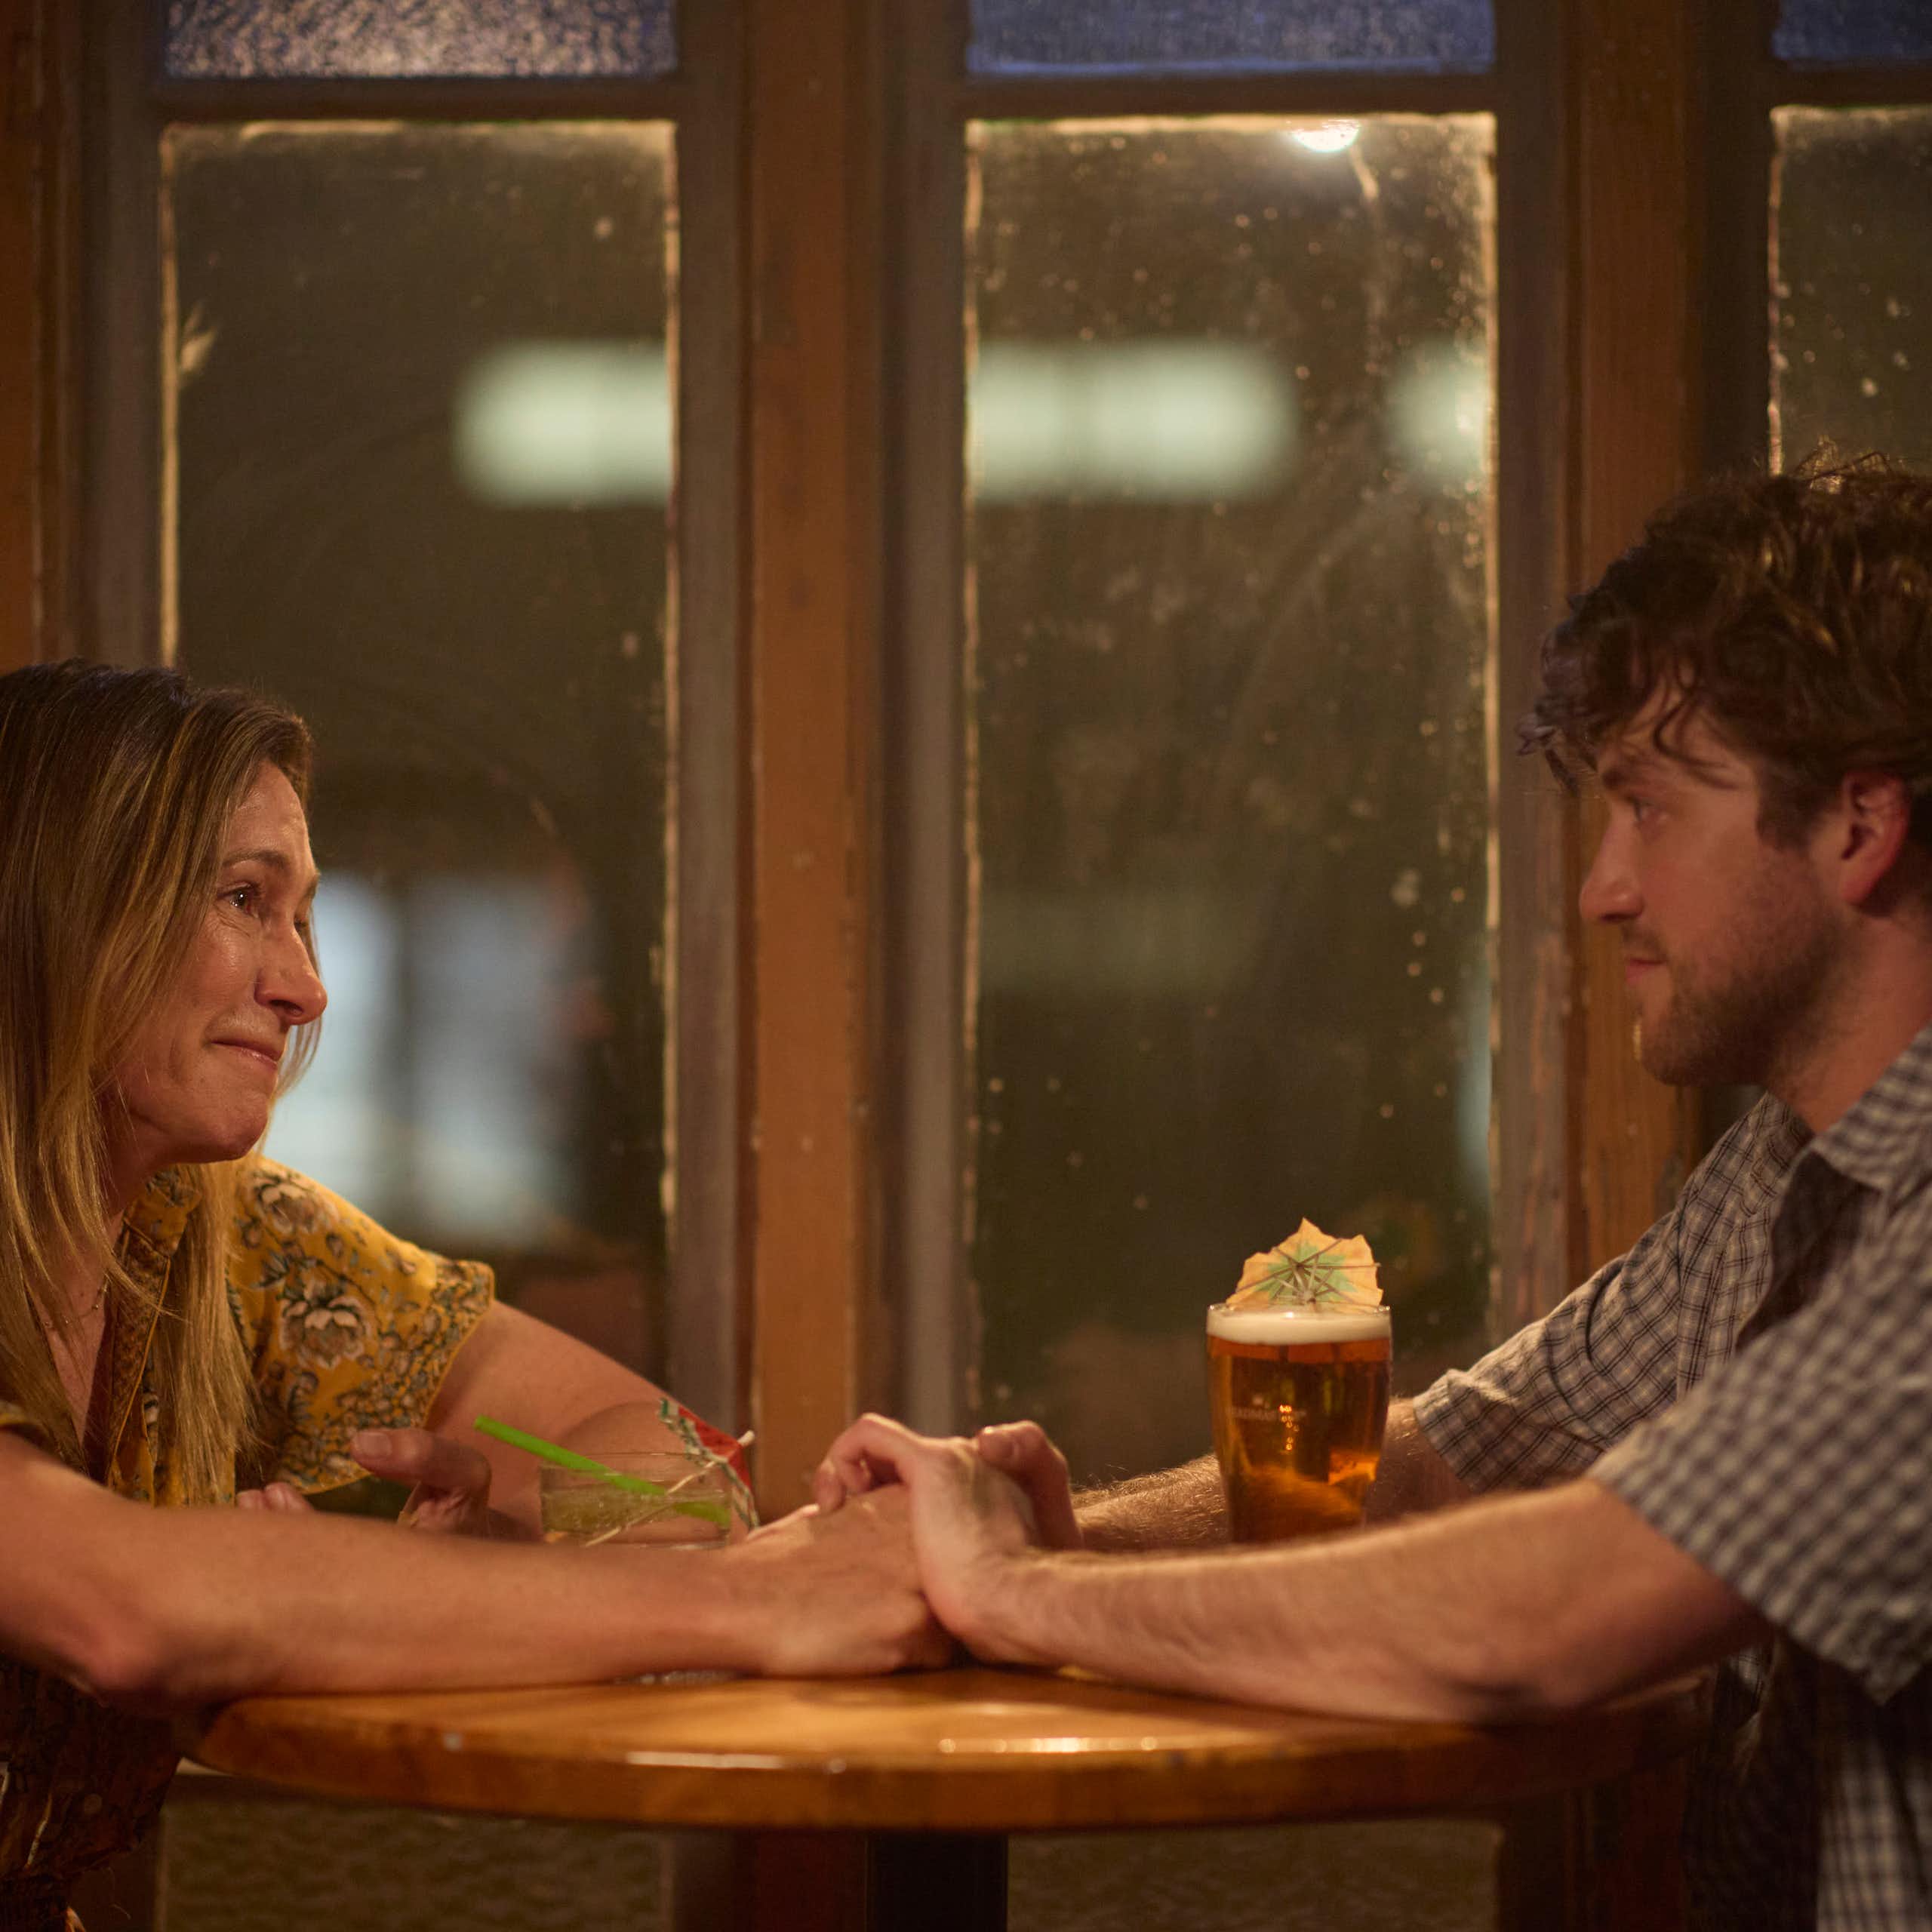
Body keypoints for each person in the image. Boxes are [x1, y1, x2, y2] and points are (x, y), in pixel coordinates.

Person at [817, 455, 1932, 1932]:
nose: (1602, 887)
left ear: (1856, 826)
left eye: (1649, 808)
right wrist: (1050, 1535)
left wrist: (1013, 1601)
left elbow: (1541, 1615)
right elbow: (1454, 1455)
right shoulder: (1783, 1169)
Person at [0, 660, 943, 1932]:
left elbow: (678, 1468)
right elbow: (128, 1608)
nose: (308, 989)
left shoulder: (232, 1236)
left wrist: (508, 1570)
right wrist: (767, 1603)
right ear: (57, 908)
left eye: (304, 918)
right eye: (244, 900)